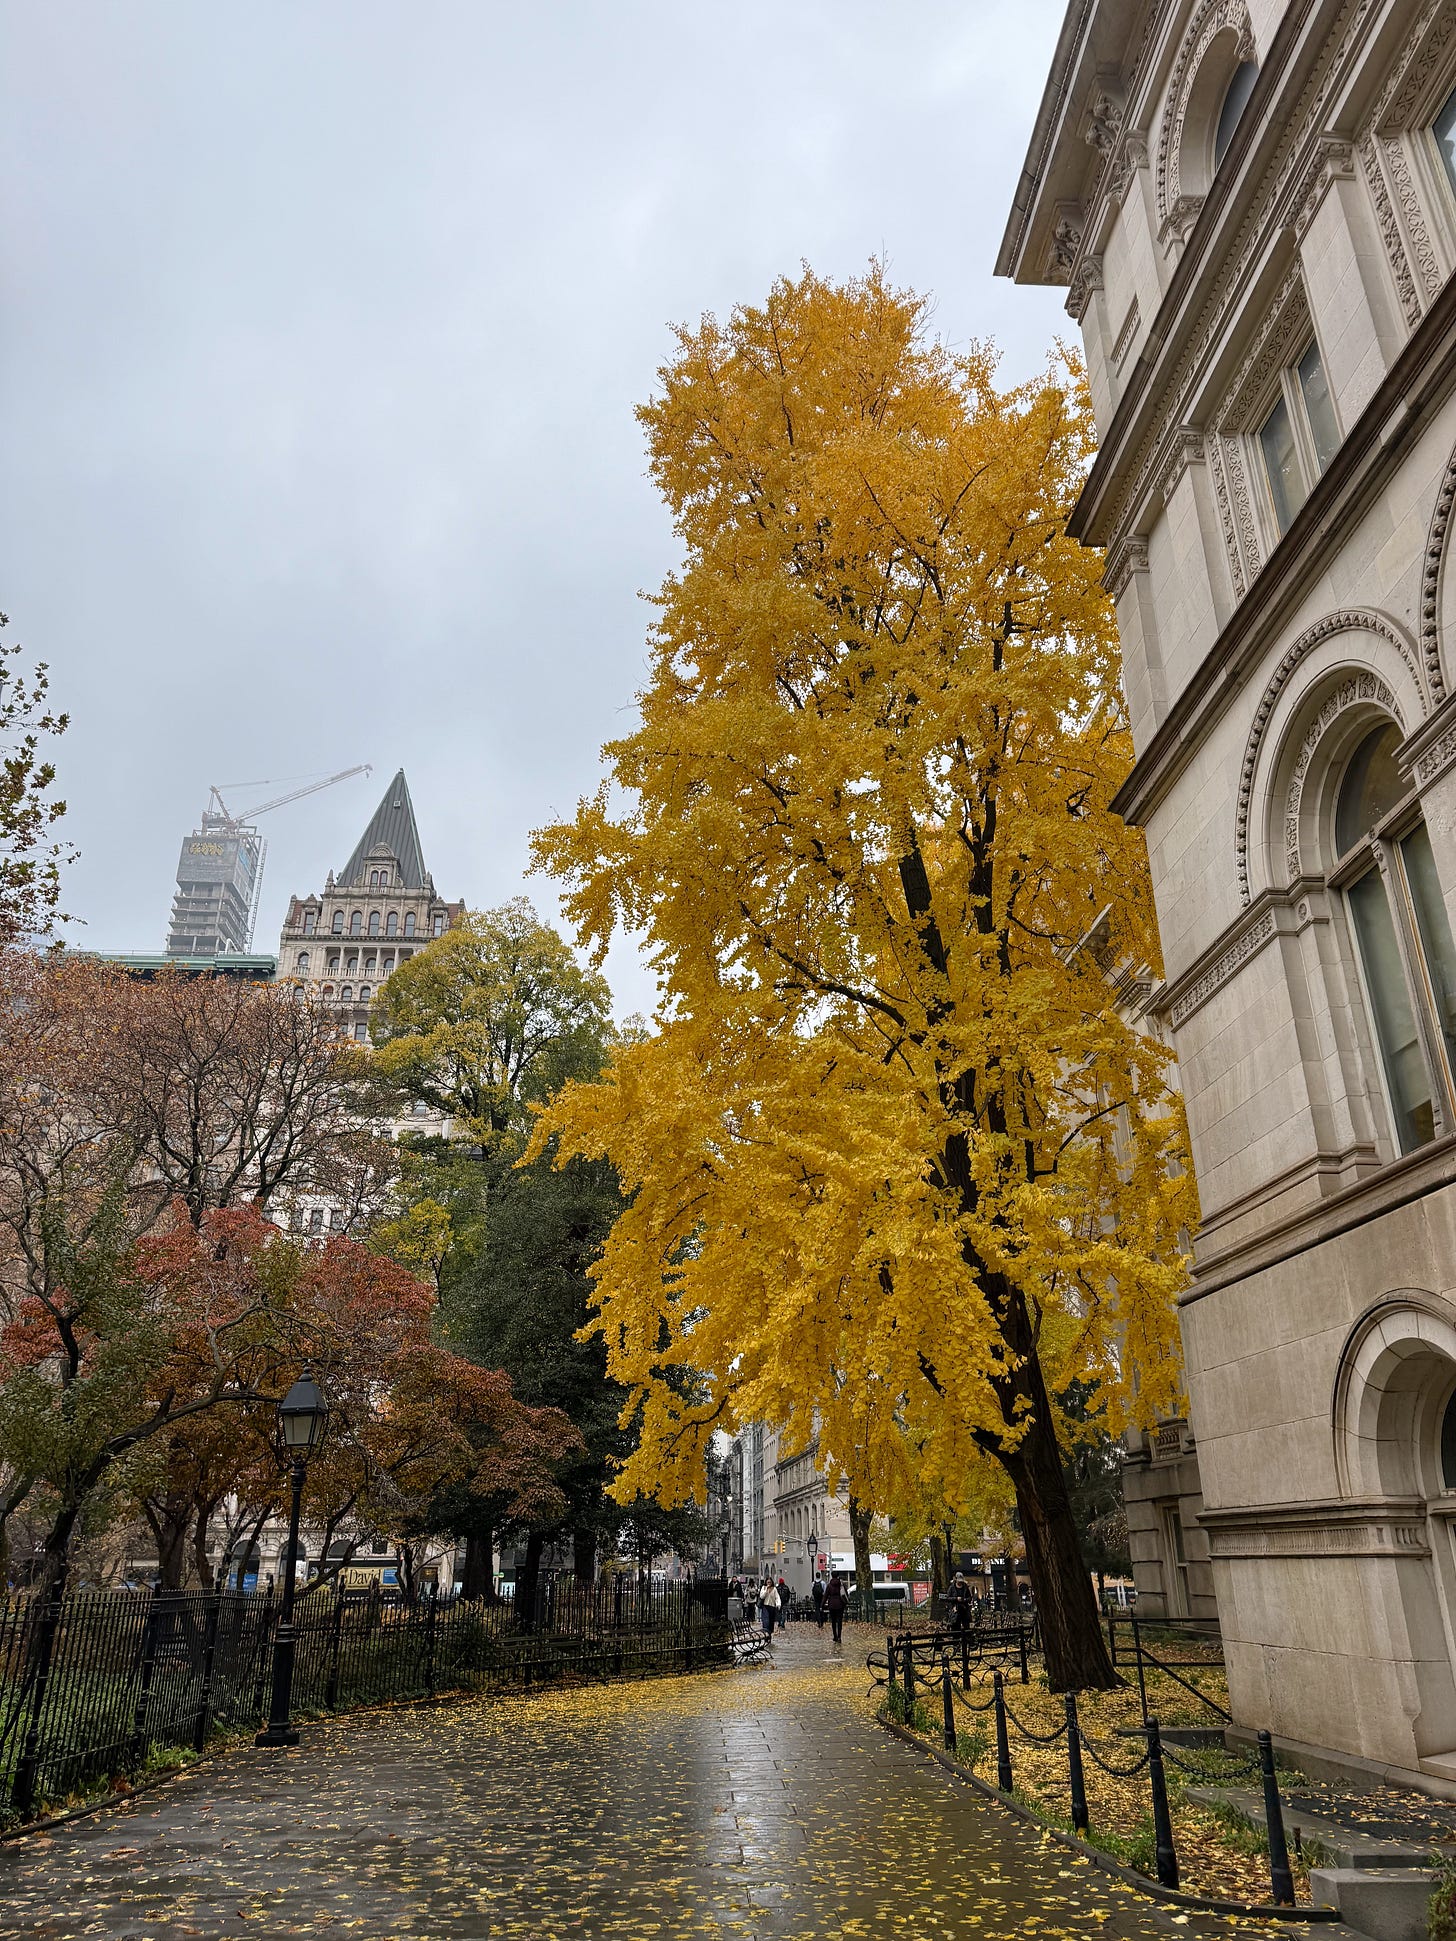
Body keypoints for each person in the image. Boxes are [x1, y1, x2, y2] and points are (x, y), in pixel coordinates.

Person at [946, 1570, 972, 1636]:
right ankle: (956, 1638)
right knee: (955, 1625)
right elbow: (948, 1598)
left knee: (966, 1625)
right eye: (959, 1581)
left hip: (964, 1608)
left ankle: (967, 1638)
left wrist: (965, 1599)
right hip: (955, 1609)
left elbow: (969, 1597)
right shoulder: (952, 1588)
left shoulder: (965, 1587)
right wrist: (956, 1598)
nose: (960, 1583)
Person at [824, 1569, 847, 1645]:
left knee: (833, 1621)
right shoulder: (841, 1585)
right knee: (839, 1621)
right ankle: (839, 1636)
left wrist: (822, 1604)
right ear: (838, 1576)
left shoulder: (829, 1585)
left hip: (832, 1604)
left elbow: (825, 1595)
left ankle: (835, 1636)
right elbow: (845, 1593)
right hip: (840, 1604)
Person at [760, 1575, 780, 1641]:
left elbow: (777, 1597)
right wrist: (766, 1590)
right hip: (765, 1606)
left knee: (771, 1622)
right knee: (766, 1621)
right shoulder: (763, 1588)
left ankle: (769, 1634)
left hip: (772, 1607)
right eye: (768, 1582)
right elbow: (762, 1596)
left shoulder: (774, 1589)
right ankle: (766, 1634)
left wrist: (778, 1604)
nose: (769, 1583)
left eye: (770, 1582)